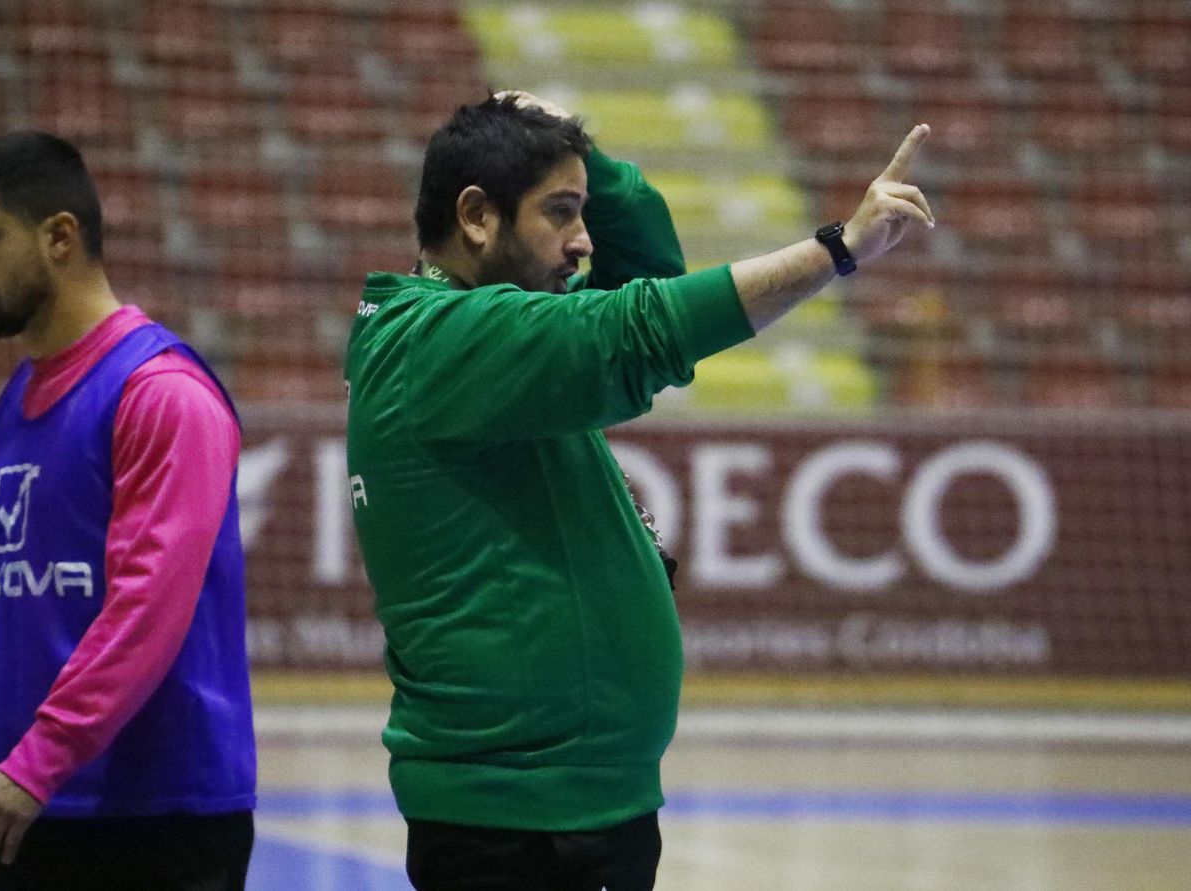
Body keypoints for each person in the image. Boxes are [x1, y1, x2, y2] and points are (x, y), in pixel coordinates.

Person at [344, 92, 933, 890]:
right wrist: (840, 248)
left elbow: (647, 273)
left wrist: (589, 164)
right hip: (520, 826)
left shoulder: (488, 339)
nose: (583, 241)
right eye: (560, 212)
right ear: (476, 217)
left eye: (583, 212)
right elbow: (643, 326)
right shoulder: (443, 340)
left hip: (565, 812)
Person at [0, 131, 256, 890]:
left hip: (153, 819)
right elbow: (31, 619)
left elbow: (145, 608)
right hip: (29, 798)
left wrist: (33, 761)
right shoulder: (16, 400)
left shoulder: (160, 394)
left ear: (59, 237)